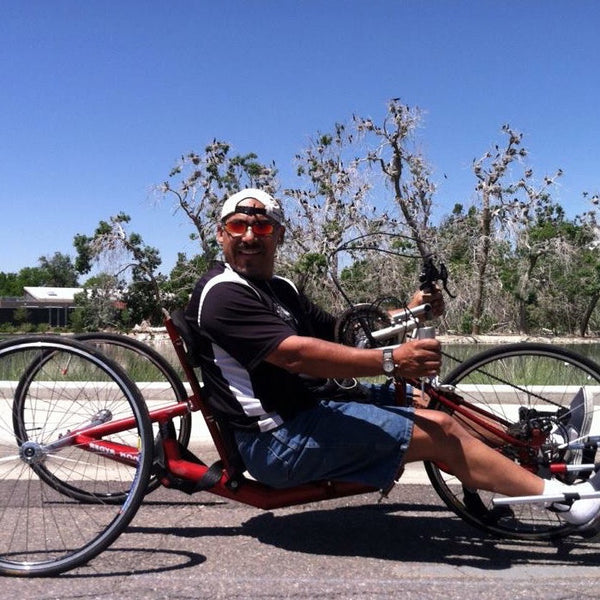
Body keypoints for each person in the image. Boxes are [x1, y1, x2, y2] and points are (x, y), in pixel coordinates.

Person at [185, 188, 600, 532]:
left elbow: (341, 333)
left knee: (435, 403)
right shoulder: (223, 294)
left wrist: (412, 311)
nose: (249, 236)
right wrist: (391, 361)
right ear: (221, 234)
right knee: (439, 431)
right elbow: (295, 356)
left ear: (278, 235)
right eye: (238, 226)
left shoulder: (279, 288)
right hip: (277, 442)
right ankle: (566, 502)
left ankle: (538, 448)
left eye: (262, 227)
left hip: (310, 410)